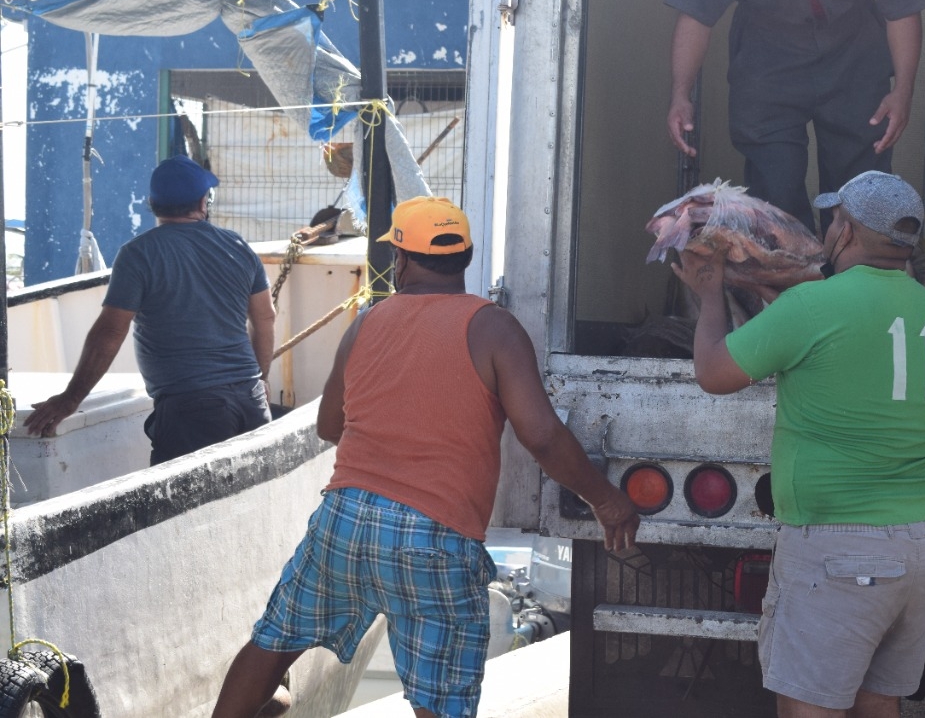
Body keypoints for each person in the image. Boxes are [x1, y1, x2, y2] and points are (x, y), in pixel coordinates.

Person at [211, 196, 640, 718]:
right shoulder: (493, 327)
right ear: (465, 258)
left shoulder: (367, 323)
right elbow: (543, 437)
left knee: (274, 641)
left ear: (402, 258)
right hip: (435, 535)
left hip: (345, 520)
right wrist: (605, 500)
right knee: (440, 700)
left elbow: (329, 426)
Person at [672, 171, 925, 718]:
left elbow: (714, 372)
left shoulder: (814, 307)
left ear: (845, 232)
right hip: (918, 548)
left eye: (834, 219)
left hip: (839, 551)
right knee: (878, 705)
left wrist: (710, 295)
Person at [665, 0, 925, 234]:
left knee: (859, 195)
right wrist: (681, 93)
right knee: (774, 193)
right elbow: (697, 10)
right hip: (767, 62)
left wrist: (903, 91)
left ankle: (851, 287)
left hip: (853, 58)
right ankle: (793, 288)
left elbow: (901, 5)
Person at [24, 155, 275, 465]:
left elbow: (111, 332)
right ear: (202, 200)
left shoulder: (138, 254)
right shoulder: (238, 246)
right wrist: (261, 379)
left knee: (181, 509)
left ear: (152, 202)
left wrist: (70, 399)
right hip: (251, 400)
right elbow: (265, 319)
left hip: (191, 408)